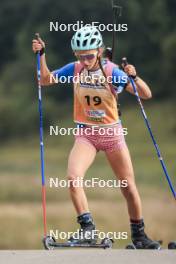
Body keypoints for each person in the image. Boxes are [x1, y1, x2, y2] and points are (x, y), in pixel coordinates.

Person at [32, 26, 160, 249]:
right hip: (86, 134)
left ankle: (139, 235)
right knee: (73, 178)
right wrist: (42, 55)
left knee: (128, 186)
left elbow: (146, 94)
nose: (85, 60)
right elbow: (45, 80)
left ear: (99, 51)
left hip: (111, 134)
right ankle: (87, 230)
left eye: (90, 55)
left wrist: (134, 77)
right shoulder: (75, 69)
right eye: (80, 56)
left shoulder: (112, 72)